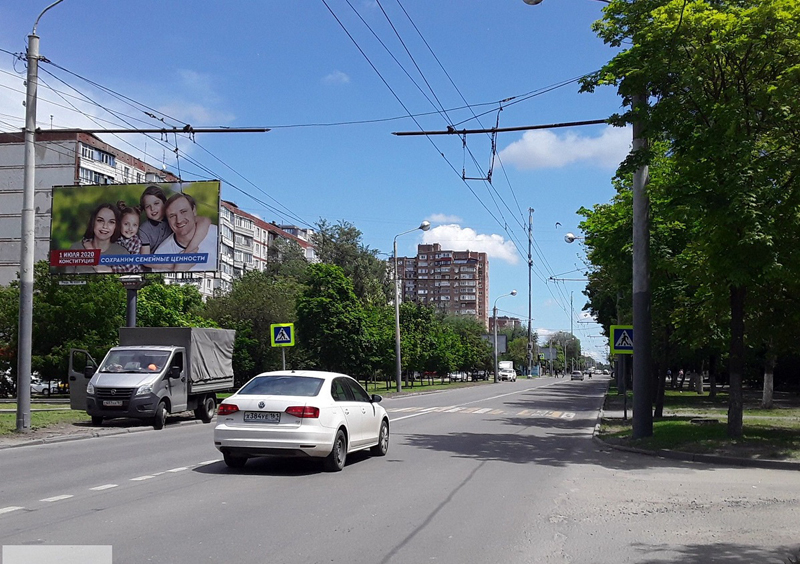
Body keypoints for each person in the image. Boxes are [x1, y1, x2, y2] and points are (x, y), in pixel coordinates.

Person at [153, 193, 218, 271]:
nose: (179, 220)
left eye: (183, 211)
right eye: (172, 216)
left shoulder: (216, 235)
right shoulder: (161, 253)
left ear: (194, 211)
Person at [66, 203, 129, 273]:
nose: (105, 226)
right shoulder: (76, 248)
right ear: (93, 222)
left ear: (116, 226)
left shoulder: (122, 253)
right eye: (100, 220)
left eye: (111, 222)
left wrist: (110, 270)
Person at [113, 201, 143, 273]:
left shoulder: (136, 242)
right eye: (126, 224)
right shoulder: (115, 240)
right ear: (119, 223)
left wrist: (112, 268)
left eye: (134, 225)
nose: (130, 228)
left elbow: (131, 267)